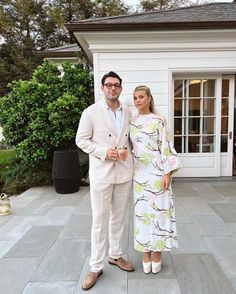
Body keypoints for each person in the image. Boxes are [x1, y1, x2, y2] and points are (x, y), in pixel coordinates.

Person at [76, 71, 134, 290]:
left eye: (116, 85)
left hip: (124, 173)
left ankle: (116, 255)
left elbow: (132, 139)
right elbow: (81, 140)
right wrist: (103, 152)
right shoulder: (90, 112)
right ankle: (95, 266)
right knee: (99, 221)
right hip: (102, 173)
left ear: (121, 88)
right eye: (108, 85)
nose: (112, 88)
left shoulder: (127, 111)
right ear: (102, 88)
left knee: (119, 218)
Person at [130, 85, 182, 274]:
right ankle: (146, 252)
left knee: (159, 214)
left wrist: (167, 173)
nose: (138, 101)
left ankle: (157, 252)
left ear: (149, 98)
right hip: (139, 175)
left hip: (158, 173)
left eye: (141, 97)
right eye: (135, 97)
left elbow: (166, 147)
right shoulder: (132, 122)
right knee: (142, 215)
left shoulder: (159, 121)